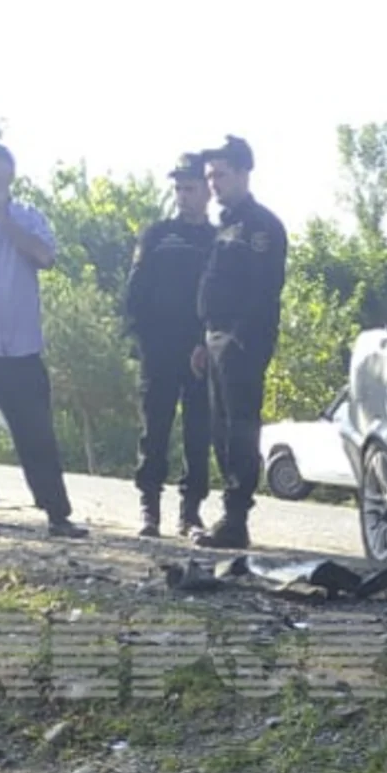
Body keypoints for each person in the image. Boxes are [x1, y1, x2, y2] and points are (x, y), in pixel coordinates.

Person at [0, 141, 88, 539]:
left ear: (9, 175)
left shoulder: (29, 217)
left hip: (22, 348)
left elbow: (46, 257)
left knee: (36, 433)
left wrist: (3, 221)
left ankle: (57, 514)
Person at [193, 135, 287, 550]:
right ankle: (228, 514)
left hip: (241, 339)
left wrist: (239, 339)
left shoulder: (260, 225)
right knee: (220, 428)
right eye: (209, 176)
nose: (213, 183)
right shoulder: (224, 225)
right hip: (214, 336)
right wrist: (204, 338)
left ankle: (236, 517)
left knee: (240, 428)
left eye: (221, 174)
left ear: (244, 173)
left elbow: (264, 290)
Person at [123, 152, 217, 538]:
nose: (182, 195)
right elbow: (134, 293)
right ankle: (149, 508)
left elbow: (224, 298)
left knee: (198, 433)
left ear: (207, 191)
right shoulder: (157, 235)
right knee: (155, 428)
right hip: (158, 348)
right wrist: (140, 338)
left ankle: (190, 512)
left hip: (201, 350)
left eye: (190, 188)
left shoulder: (218, 240)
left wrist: (208, 342)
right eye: (178, 188)